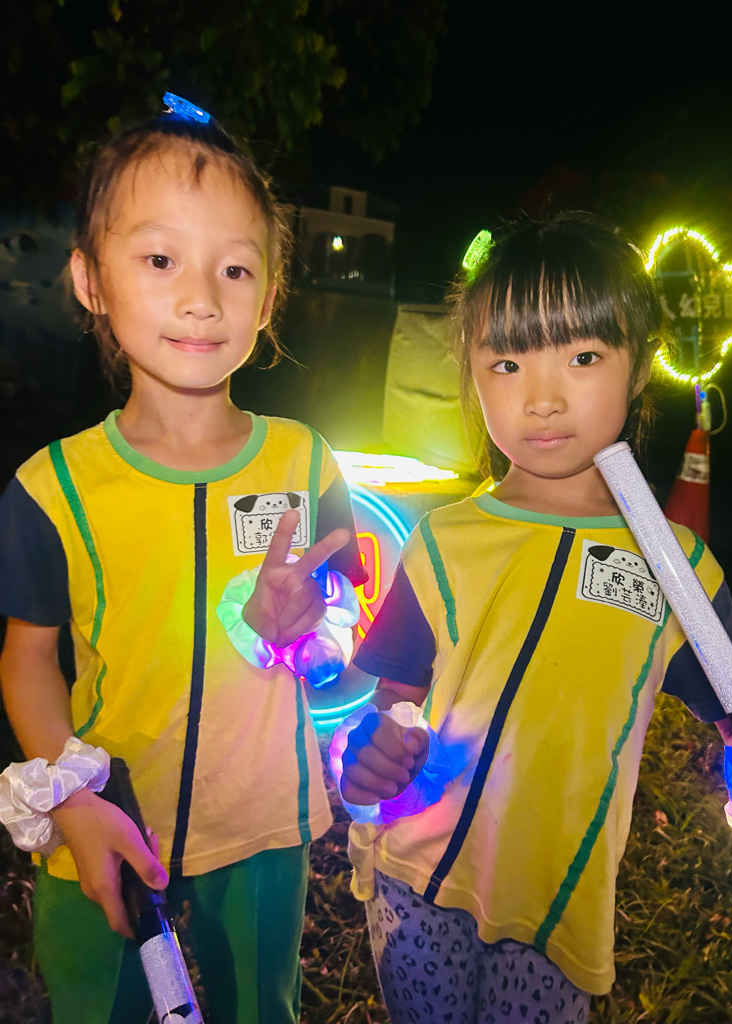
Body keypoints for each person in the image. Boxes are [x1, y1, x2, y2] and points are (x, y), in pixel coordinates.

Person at [332, 214, 732, 1024]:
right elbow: (393, 699)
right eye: (506, 362)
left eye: (583, 357)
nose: (542, 398)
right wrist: (370, 753)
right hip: (413, 882)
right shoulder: (444, 541)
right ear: (471, 373)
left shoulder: (675, 568)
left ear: (639, 367)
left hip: (555, 917)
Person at [0, 95, 365, 1024]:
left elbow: (339, 624)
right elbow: (29, 658)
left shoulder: (307, 462)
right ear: (90, 279)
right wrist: (70, 800)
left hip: (265, 829)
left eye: (235, 268)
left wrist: (304, 627)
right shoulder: (52, 488)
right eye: (160, 260)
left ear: (269, 296)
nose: (202, 297)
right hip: (109, 819)